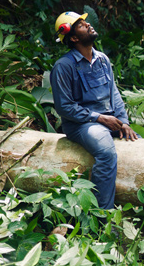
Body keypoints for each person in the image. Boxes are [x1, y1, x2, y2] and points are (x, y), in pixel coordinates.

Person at [50, 11, 138, 209]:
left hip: (108, 121)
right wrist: (99, 118)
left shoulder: (103, 59)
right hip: (82, 125)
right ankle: (102, 216)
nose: (88, 25)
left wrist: (123, 121)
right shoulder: (63, 67)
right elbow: (64, 107)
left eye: (85, 22)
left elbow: (114, 93)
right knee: (106, 153)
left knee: (137, 144)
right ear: (73, 37)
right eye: (81, 25)